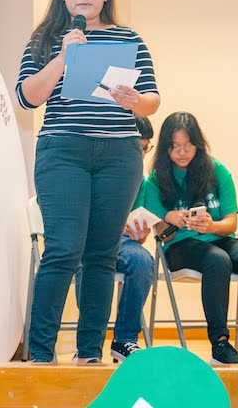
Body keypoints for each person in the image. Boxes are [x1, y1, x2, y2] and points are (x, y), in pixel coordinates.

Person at [16, 0, 160, 364]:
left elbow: (152, 99)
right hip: (64, 152)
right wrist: (64, 58)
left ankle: (89, 355)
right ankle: (41, 355)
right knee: (63, 250)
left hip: (119, 154)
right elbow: (28, 97)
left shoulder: (129, 38)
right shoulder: (44, 40)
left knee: (101, 254)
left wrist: (136, 101)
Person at [133, 111, 238, 365]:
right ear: (165, 148)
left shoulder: (216, 170)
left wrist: (211, 225)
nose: (182, 152)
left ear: (198, 144)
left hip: (219, 237)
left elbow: (231, 222)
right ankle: (219, 344)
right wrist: (171, 217)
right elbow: (158, 228)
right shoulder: (156, 180)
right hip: (179, 246)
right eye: (175, 147)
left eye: (188, 146)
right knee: (217, 261)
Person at [75, 115, 156, 363]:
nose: (141, 154)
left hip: (123, 243)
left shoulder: (140, 181)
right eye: (137, 147)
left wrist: (140, 234)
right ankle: (89, 344)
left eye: (145, 148)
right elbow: (79, 220)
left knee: (142, 260)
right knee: (89, 262)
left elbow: (137, 230)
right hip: (87, 241)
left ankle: (125, 339)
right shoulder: (91, 170)